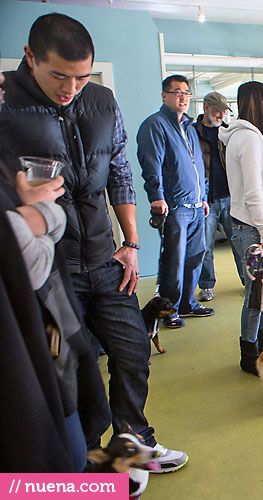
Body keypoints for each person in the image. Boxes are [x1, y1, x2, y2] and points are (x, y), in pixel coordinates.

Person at [0, 13, 187, 470]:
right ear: (30, 58)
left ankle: (132, 443)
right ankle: (83, 461)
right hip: (49, 269)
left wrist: (131, 243)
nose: (70, 88)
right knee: (72, 371)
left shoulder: (101, 99)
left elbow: (120, 171)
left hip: (106, 257)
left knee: (133, 351)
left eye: (81, 76)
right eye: (59, 76)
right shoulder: (6, 104)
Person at [219, 81, 263, 374]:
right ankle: (250, 354)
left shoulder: (252, 136)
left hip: (249, 224)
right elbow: (253, 192)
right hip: (250, 227)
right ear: (260, 103)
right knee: (255, 292)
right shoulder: (246, 138)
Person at [138, 75, 214, 328]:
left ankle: (187, 305)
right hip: (174, 206)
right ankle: (168, 309)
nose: (183, 97)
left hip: (195, 206)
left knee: (195, 256)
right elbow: (152, 165)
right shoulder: (155, 125)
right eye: (177, 92)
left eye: (186, 93)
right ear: (164, 96)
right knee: (174, 259)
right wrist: (156, 197)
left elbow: (199, 167)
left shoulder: (190, 128)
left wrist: (203, 198)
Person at [194, 91, 245, 302]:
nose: (221, 115)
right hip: (206, 199)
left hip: (230, 197)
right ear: (206, 107)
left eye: (224, 111)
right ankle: (206, 286)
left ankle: (248, 281)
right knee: (204, 246)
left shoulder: (228, 132)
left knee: (239, 243)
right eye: (217, 110)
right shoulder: (193, 132)